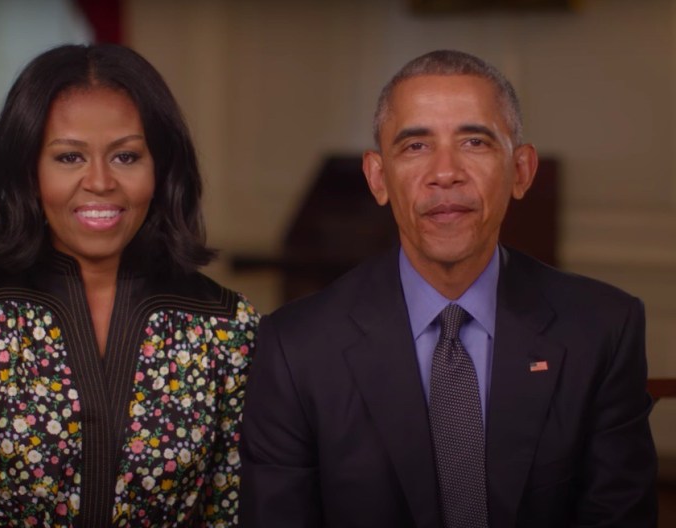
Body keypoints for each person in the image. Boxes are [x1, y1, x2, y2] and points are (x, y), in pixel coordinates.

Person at [240, 49, 657, 527]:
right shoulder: (296, 347)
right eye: (415, 146)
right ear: (378, 178)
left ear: (521, 171)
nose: (445, 173)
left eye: (475, 142)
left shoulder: (603, 329)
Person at [0, 44, 258, 527]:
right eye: (69, 157)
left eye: (126, 156)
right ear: (27, 171)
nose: (100, 182)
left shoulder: (227, 327)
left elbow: (235, 515)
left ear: (161, 169)